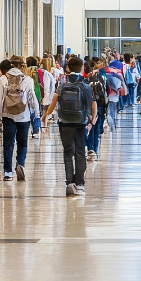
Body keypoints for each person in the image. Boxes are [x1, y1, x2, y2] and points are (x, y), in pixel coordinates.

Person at [44, 55, 96, 196]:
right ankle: (80, 184)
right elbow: (92, 104)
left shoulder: (63, 83)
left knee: (68, 152)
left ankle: (69, 183)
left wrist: (46, 114)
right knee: (80, 152)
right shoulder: (85, 85)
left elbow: (54, 100)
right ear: (82, 68)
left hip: (65, 122)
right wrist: (92, 118)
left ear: (67, 68)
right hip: (80, 122)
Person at [0, 55, 40, 181]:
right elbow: (32, 98)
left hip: (7, 115)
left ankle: (8, 172)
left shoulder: (4, 78)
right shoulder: (27, 79)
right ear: (21, 65)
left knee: (8, 144)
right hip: (23, 115)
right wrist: (37, 114)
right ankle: (20, 164)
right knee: (22, 143)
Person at [85, 59, 107, 161]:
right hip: (100, 106)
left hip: (89, 107)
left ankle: (90, 150)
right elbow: (104, 92)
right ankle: (95, 151)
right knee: (96, 131)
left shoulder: (84, 80)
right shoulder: (99, 78)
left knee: (89, 130)